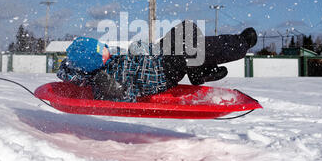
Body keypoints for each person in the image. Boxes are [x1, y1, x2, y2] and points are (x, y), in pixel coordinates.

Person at [57, 21, 257, 102]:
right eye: (101, 51)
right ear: (92, 62)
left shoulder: (108, 61)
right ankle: (240, 44)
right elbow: (126, 97)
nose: (106, 49)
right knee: (193, 48)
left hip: (158, 56)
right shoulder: (101, 79)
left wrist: (141, 49)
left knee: (187, 28)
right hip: (162, 72)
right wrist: (113, 88)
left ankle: (197, 71)